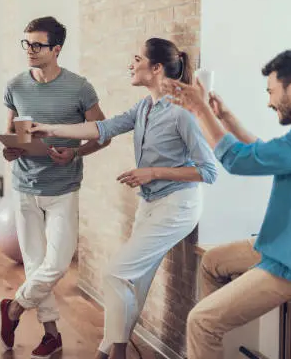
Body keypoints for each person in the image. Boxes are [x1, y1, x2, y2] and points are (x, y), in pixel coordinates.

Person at [30, 37, 218, 359]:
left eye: (136, 58)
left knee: (115, 272)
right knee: (134, 280)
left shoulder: (182, 113)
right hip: (150, 203)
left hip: (178, 206)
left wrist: (153, 172)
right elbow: (102, 128)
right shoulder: (145, 107)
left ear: (156, 68)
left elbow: (209, 171)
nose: (130, 64)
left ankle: (115, 353)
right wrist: (48, 128)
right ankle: (108, 352)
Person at [165, 50, 291, 359]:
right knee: (213, 261)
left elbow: (238, 160)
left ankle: (211, 336)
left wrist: (200, 109)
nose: (269, 101)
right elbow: (263, 153)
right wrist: (225, 119)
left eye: (272, 91)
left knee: (202, 321)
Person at [0, 16, 109, 359]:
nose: (30, 50)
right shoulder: (15, 85)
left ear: (56, 49)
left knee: (57, 263)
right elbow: (11, 141)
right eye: (26, 43)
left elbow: (102, 133)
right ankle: (52, 336)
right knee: (34, 265)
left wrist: (75, 151)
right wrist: (11, 149)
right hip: (24, 188)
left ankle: (13, 309)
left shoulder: (79, 88)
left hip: (62, 188)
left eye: (37, 45)